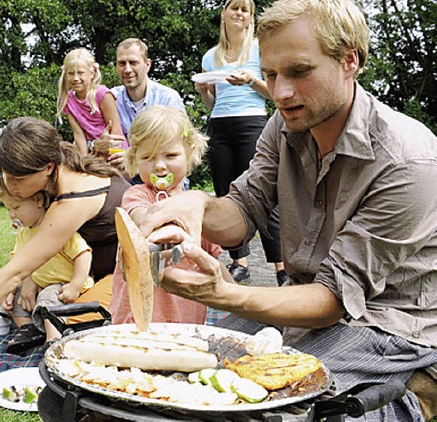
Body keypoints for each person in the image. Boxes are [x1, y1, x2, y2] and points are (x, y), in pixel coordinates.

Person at [139, 0, 437, 420]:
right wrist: (196, 204)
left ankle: (412, 394)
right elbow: (242, 212)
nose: (280, 92)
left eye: (299, 72)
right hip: (301, 306)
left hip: (388, 324)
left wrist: (229, 295)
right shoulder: (285, 124)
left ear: (350, 60)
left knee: (282, 406)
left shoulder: (409, 161)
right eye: (270, 75)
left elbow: (333, 299)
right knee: (178, 370)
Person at [0, 116, 131, 365]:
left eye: (17, 179)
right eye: (7, 177)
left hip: (128, 278)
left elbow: (15, 270)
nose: (11, 186)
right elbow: (29, 258)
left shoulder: (72, 201)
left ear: (48, 167)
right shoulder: (60, 174)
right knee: (30, 303)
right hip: (97, 272)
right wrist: (31, 280)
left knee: (65, 323)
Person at [195, 0, 286, 285]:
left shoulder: (260, 50)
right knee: (226, 194)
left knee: (265, 195)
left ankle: (281, 269)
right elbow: (212, 102)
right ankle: (240, 261)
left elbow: (274, 93)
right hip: (220, 125)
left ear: (250, 18)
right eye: (234, 7)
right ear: (223, 13)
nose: (238, 13)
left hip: (252, 123)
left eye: (244, 9)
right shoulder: (211, 57)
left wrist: (250, 81)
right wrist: (203, 92)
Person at [109, 106, 224, 325]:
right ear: (135, 158)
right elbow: (143, 219)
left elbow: (213, 261)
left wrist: (237, 297)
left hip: (185, 319)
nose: (160, 166)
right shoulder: (137, 196)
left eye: (170, 155)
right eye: (148, 157)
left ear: (189, 152)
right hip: (138, 316)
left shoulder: (197, 208)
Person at [0, 185, 94, 342]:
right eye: (8, 210)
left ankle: (53, 339)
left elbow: (83, 254)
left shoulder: (58, 227)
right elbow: (17, 263)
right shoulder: (24, 234)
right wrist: (10, 290)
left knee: (47, 299)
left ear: (38, 200)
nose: (12, 215)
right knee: (13, 298)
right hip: (40, 282)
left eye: (16, 208)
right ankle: (28, 329)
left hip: (63, 284)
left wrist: (75, 285)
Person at [96, 38, 187, 171]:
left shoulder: (168, 99)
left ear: (147, 65)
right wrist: (97, 144)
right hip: (123, 179)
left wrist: (132, 160)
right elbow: (86, 142)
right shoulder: (109, 99)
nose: (127, 70)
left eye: (133, 63)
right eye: (122, 63)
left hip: (164, 176)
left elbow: (181, 147)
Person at [56, 47, 123, 156]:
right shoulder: (68, 100)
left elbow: (116, 130)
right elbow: (78, 134)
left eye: (80, 73)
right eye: (71, 73)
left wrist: (107, 156)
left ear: (91, 73)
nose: (76, 78)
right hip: (91, 150)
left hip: (112, 149)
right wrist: (85, 161)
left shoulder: (103, 95)